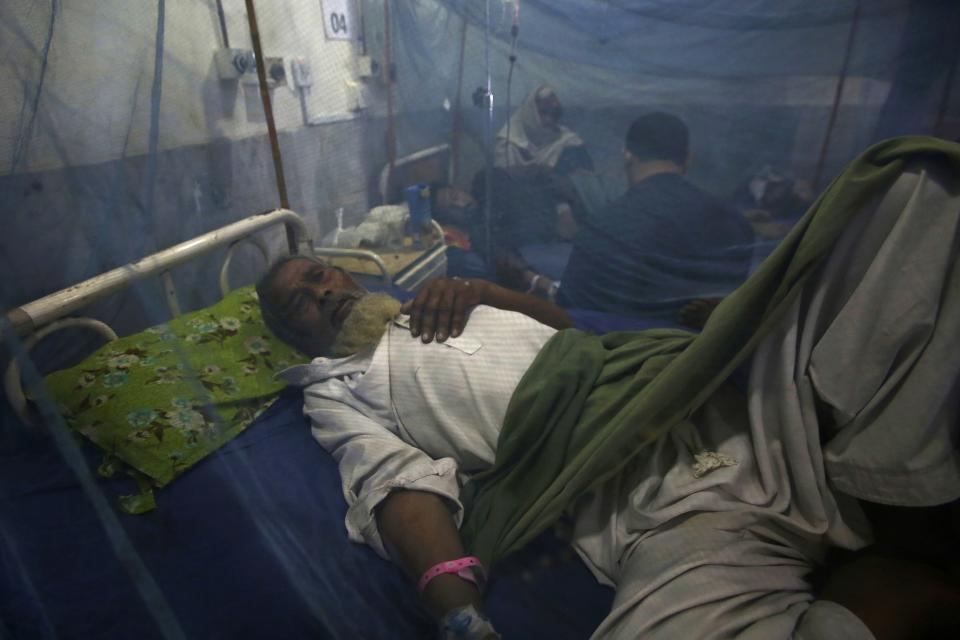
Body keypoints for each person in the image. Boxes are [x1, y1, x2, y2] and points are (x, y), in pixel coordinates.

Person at [257, 138, 960, 640]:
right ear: (298, 341)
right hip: (657, 495)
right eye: (302, 302)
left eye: (322, 275)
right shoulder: (335, 389)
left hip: (710, 390)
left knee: (915, 188)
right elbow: (396, 485)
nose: (325, 293)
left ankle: (891, 487)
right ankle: (886, 579)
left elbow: (571, 330)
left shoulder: (437, 297)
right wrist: (458, 614)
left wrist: (485, 289)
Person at [521, 112, 754, 324]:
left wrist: (536, 282)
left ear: (627, 155)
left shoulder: (605, 225)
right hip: (706, 359)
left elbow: (574, 310)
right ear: (688, 159)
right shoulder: (734, 222)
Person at [495, 85, 590, 173]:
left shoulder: (569, 143)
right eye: (543, 113)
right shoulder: (508, 146)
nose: (548, 120)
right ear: (529, 113)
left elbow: (584, 182)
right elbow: (502, 183)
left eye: (553, 114)